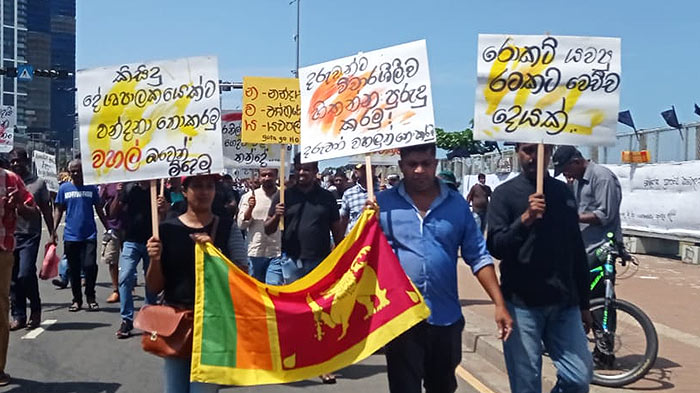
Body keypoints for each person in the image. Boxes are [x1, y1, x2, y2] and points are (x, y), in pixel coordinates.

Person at [370, 143, 511, 393]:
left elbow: (478, 255)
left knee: (443, 386)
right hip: (401, 319)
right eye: (412, 164)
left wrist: (499, 303)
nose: (419, 170)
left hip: (445, 319)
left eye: (425, 163)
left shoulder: (456, 204)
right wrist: (366, 224)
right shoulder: (382, 205)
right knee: (404, 387)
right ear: (401, 166)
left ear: (436, 164)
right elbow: (361, 254)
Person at [487, 143, 593, 393]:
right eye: (528, 150)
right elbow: (495, 246)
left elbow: (576, 248)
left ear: (551, 150)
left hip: (564, 304)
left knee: (578, 379)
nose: (535, 156)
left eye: (541, 149)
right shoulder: (504, 194)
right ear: (517, 151)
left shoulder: (564, 192)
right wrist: (524, 220)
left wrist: (585, 304)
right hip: (521, 305)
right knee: (526, 384)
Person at [146, 174, 245, 393]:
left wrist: (216, 254)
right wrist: (154, 259)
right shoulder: (166, 230)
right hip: (177, 323)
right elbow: (154, 287)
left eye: (209, 186)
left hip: (214, 324)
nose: (204, 192)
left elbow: (242, 276)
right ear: (184, 191)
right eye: (197, 186)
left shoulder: (228, 228)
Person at [264, 153, 344, 385]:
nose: (301, 173)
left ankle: (323, 364)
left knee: (320, 315)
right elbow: (269, 229)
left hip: (320, 263)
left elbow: (336, 230)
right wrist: (275, 216)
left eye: (306, 169)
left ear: (315, 170)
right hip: (290, 262)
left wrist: (340, 259)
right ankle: (293, 360)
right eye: (298, 168)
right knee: (294, 314)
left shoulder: (327, 198)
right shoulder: (283, 195)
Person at [553, 145, 623, 368]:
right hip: (582, 247)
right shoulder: (576, 181)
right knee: (581, 295)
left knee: (599, 297)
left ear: (576, 161)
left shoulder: (601, 177)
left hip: (602, 246)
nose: (566, 174)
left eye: (566, 169)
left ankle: (605, 348)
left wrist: (574, 218)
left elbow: (606, 214)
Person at [51, 159, 109, 312]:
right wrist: (53, 229)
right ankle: (77, 299)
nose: (76, 173)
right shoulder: (64, 188)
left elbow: (99, 209)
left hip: (89, 235)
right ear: (69, 173)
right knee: (74, 269)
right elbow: (58, 209)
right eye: (73, 171)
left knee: (90, 266)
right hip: (71, 236)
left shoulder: (91, 188)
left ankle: (91, 296)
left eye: (79, 170)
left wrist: (108, 227)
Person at [9, 148, 54, 330]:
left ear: (27, 162)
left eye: (18, 160)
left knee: (25, 273)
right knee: (12, 278)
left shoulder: (38, 183)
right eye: (12, 161)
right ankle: (19, 315)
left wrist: (52, 232)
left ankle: (35, 308)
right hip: (9, 235)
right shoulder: (7, 181)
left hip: (30, 233)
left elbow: (45, 209)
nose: (15, 164)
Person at [0, 164, 37, 386]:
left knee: (1, 310)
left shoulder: (12, 179)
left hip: (2, 252)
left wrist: (19, 206)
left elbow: (33, 211)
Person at [110, 181, 158, 338]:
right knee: (124, 277)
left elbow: (171, 213)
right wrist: (118, 193)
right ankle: (127, 320)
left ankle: (149, 317)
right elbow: (113, 213)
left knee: (151, 280)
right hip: (131, 241)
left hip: (152, 240)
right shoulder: (129, 188)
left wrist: (164, 206)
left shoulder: (158, 189)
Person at [237, 168, 279, 282]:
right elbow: (241, 225)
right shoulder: (249, 196)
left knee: (273, 289)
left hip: (278, 253)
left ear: (276, 176)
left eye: (270, 175)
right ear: (259, 177)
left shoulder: (284, 195)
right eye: (264, 175)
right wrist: (250, 208)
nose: (267, 178)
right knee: (256, 292)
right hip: (255, 251)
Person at [99, 183, 124, 304]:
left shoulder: (133, 181)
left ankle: (127, 285)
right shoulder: (107, 184)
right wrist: (118, 194)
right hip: (113, 226)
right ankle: (116, 290)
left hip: (131, 226)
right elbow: (105, 209)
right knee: (112, 260)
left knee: (129, 260)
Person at [340, 163, 378, 235]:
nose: (367, 170)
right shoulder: (349, 194)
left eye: (370, 167)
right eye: (363, 168)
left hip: (379, 240)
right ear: (356, 172)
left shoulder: (384, 192)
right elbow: (344, 220)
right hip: (356, 240)